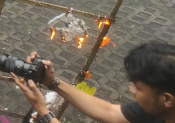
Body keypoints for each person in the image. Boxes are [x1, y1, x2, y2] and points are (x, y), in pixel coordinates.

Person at [12, 43, 175, 123]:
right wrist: (53, 83)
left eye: (139, 87)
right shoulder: (159, 110)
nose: (131, 90)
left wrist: (43, 111)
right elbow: (110, 111)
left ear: (167, 99)